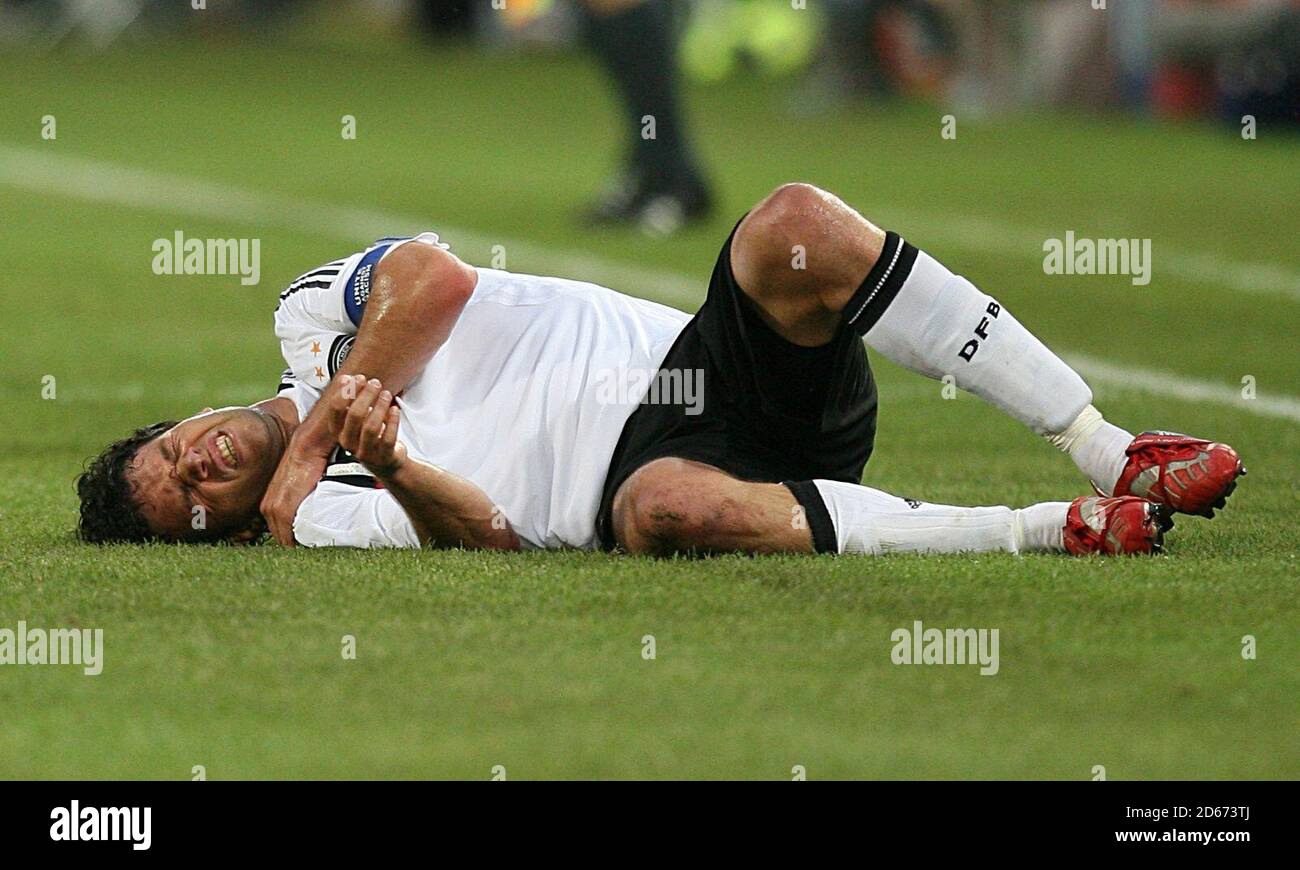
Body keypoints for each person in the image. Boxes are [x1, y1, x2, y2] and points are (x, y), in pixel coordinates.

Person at [77, 183, 1243, 556]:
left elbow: (430, 280)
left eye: (171, 451)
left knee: (792, 223)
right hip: (648, 481)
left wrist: (332, 422)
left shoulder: (300, 320)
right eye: (190, 499)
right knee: (664, 506)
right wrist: (395, 470)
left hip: (700, 368)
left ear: (178, 418)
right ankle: (1058, 526)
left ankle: (1108, 445)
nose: (201, 464)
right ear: (214, 529)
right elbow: (490, 538)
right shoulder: (314, 521)